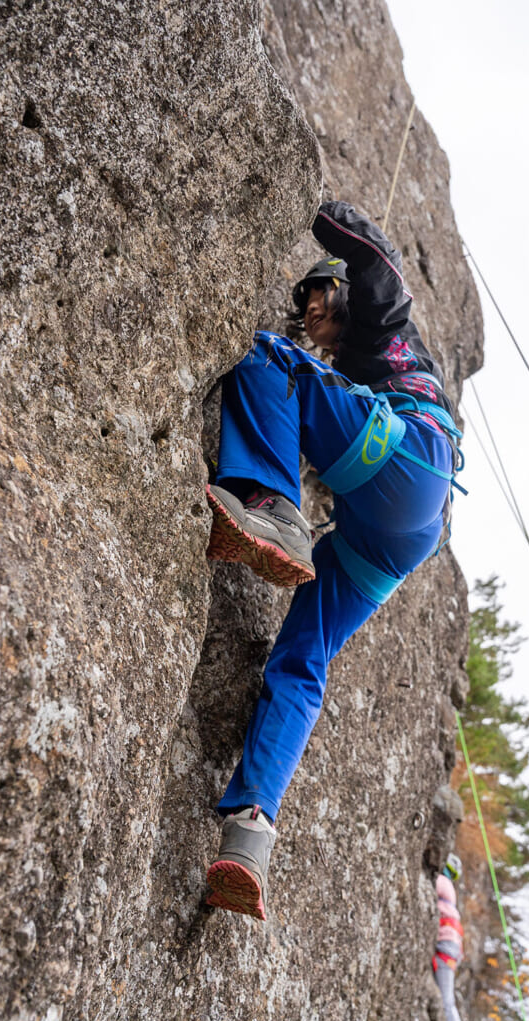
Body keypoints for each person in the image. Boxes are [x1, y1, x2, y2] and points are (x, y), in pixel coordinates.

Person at [204, 199, 462, 920]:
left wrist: (314, 209)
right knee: (300, 661)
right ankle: (249, 832)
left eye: (318, 296)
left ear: (339, 293)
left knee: (263, 355)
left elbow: (377, 262)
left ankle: (273, 510)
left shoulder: (384, 330)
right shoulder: (364, 372)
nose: (311, 312)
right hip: (395, 534)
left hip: (409, 459)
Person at [433, 853, 464, 1021]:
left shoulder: (442, 883)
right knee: (447, 1000)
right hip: (451, 947)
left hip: (446, 947)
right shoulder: (450, 889)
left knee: (446, 1001)